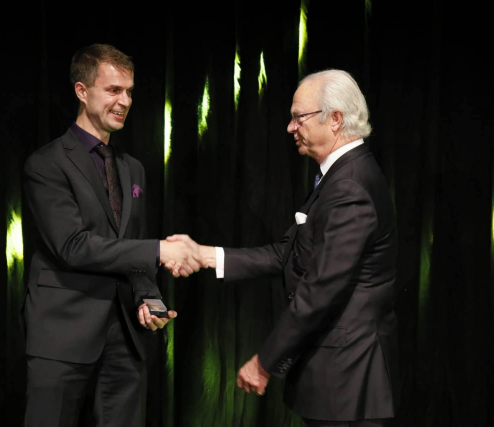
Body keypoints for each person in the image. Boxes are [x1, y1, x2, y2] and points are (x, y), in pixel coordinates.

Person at [168, 69, 399, 427]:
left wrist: (264, 362)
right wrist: (203, 255)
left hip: (348, 384)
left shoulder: (350, 187)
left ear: (335, 119)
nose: (291, 127)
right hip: (337, 383)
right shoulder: (339, 177)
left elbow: (321, 290)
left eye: (298, 117)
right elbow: (286, 253)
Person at [22, 43, 200, 426]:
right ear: (82, 91)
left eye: (130, 91)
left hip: (124, 337)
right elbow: (72, 246)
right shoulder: (47, 163)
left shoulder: (133, 169)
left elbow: (131, 246)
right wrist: (159, 251)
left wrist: (148, 297)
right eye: (113, 90)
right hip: (62, 333)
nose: (125, 101)